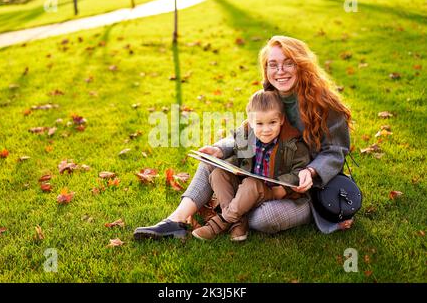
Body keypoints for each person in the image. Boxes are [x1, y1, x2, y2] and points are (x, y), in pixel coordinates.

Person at [133, 35, 353, 240]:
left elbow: (336, 151)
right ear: (266, 69)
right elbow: (246, 134)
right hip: (261, 176)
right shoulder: (269, 97)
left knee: (263, 219)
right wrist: (219, 149)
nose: (280, 71)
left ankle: (234, 214)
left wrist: (311, 171)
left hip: (301, 189)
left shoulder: (324, 104)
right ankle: (176, 221)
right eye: (272, 65)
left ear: (301, 65)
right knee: (212, 161)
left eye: (288, 63)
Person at [191, 89, 310, 241]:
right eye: (259, 123)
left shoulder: (293, 143)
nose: (266, 130)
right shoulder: (246, 137)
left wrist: (285, 187)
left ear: (281, 119)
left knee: (251, 183)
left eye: (272, 122)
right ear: (251, 121)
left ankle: (221, 222)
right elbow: (238, 157)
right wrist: (227, 164)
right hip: (247, 187)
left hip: (271, 191)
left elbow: (300, 170)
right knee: (218, 174)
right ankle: (239, 222)